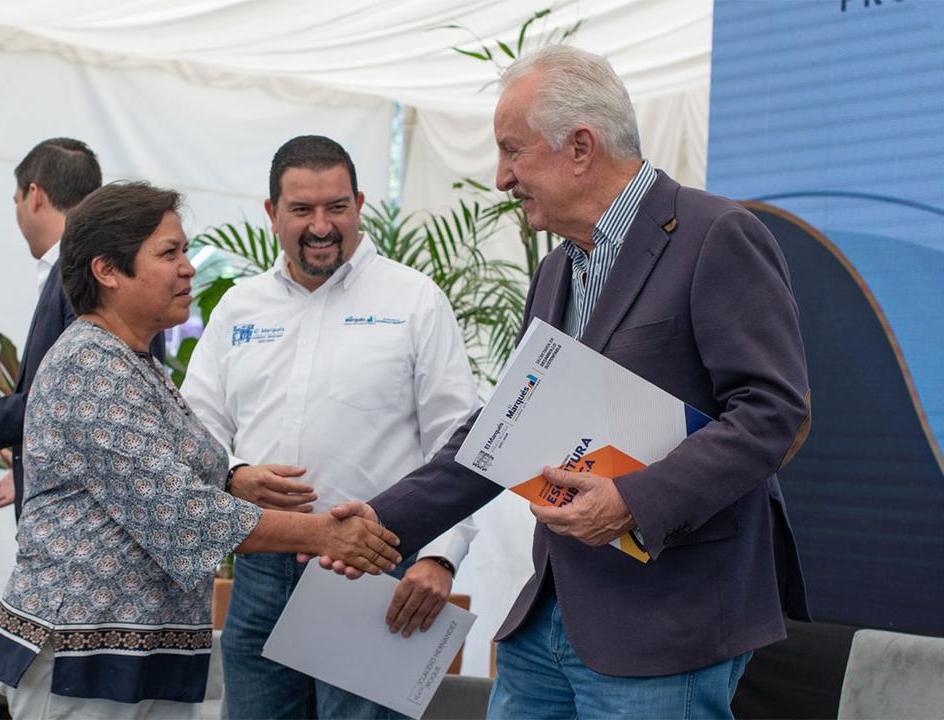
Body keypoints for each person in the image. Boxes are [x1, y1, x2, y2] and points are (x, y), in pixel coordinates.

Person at [323, 45, 813, 719]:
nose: (500, 178)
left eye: (512, 152)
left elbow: (773, 412)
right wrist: (384, 521)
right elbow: (506, 426)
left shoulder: (717, 235)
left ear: (580, 147)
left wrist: (632, 499)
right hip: (550, 615)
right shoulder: (556, 270)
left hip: (671, 623)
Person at [0, 181, 401, 719]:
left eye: (184, 250)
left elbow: (171, 470)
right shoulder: (91, 364)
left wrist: (235, 479)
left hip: (136, 652)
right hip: (82, 655)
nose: (188, 268)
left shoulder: (136, 361)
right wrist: (324, 532)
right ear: (108, 271)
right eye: (169, 253)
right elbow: (183, 517)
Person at [180, 135, 479, 719]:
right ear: (271, 213)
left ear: (359, 204)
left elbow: (459, 443)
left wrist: (440, 557)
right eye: (302, 210)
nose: (322, 226)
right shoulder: (239, 308)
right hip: (261, 567)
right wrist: (234, 474)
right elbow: (195, 430)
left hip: (373, 570)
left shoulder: (414, 301)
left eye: (336, 207)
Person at [0, 137, 165, 518]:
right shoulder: (78, 271)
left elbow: (81, 399)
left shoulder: (83, 276)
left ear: (34, 195)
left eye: (15, 202)